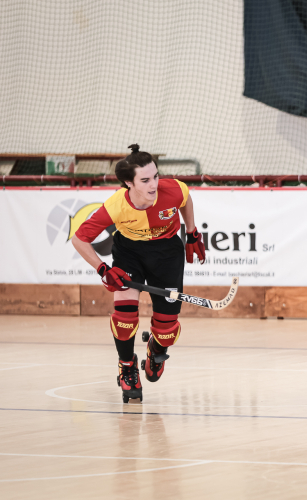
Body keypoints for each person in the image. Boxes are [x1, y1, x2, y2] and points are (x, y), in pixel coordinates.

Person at [71, 144, 206, 403]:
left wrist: (191, 232)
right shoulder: (115, 206)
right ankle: (127, 366)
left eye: (155, 176)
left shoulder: (173, 189)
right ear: (128, 183)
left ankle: (156, 349)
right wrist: (103, 269)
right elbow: (79, 239)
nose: (153, 184)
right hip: (130, 253)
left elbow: (186, 199)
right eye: (144, 180)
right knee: (124, 317)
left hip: (167, 254)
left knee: (167, 329)